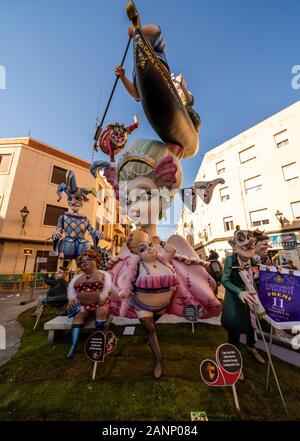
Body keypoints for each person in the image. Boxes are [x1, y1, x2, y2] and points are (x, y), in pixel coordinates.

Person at [115, 25, 200, 131]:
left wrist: (182, 87)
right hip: (150, 83)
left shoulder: (182, 100)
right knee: (140, 93)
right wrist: (123, 77)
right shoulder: (156, 51)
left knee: (191, 115)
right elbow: (137, 95)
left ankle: (185, 128)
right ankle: (139, 35)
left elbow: (190, 101)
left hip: (166, 98)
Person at [221, 230, 266, 381]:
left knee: (252, 325)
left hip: (251, 299)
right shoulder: (230, 260)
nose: (248, 242)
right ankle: (234, 361)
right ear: (234, 245)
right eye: (242, 239)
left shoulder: (253, 259)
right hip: (235, 300)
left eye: (250, 239)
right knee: (234, 327)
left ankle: (251, 347)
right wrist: (239, 292)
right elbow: (225, 280)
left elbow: (257, 275)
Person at [66, 250, 112, 359]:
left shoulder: (103, 275)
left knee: (102, 311)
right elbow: (72, 292)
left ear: (96, 261)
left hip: (98, 304)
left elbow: (108, 289)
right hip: (82, 304)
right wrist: (71, 299)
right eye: (82, 261)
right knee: (79, 315)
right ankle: (73, 345)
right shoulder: (77, 278)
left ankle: (98, 340)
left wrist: (104, 296)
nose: (84, 263)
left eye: (89, 260)